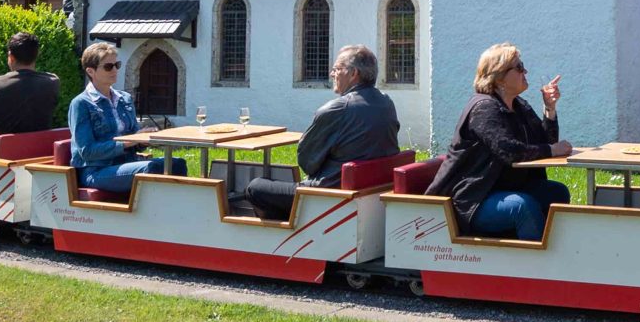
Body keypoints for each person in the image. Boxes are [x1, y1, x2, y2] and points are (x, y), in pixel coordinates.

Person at [239, 45, 402, 221]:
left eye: (337, 69)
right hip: (370, 189)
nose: (332, 74)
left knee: (255, 187)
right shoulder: (386, 103)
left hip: (327, 196)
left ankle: (289, 236)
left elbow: (307, 162)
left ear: (354, 73)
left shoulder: (337, 109)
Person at [427, 44, 572, 240]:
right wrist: (552, 150)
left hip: (506, 187)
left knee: (557, 192)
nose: (525, 71)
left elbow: (545, 142)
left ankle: (559, 252)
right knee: (522, 207)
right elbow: (509, 151)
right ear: (500, 77)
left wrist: (550, 109)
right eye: (519, 67)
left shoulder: (519, 105)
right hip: (475, 198)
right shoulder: (483, 108)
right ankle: (535, 267)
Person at [66, 41, 185, 195]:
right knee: (150, 168)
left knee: (177, 164)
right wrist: (128, 142)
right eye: (108, 66)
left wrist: (143, 139)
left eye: (117, 65)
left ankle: (178, 211)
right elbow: (87, 151)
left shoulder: (124, 98)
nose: (114, 70)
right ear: (91, 71)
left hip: (127, 163)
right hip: (96, 170)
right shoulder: (81, 103)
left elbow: (133, 141)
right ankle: (156, 214)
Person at [0, 29, 63, 145]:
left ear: (11, 57)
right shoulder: (53, 82)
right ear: (37, 55)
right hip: (39, 154)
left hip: (2, 158)